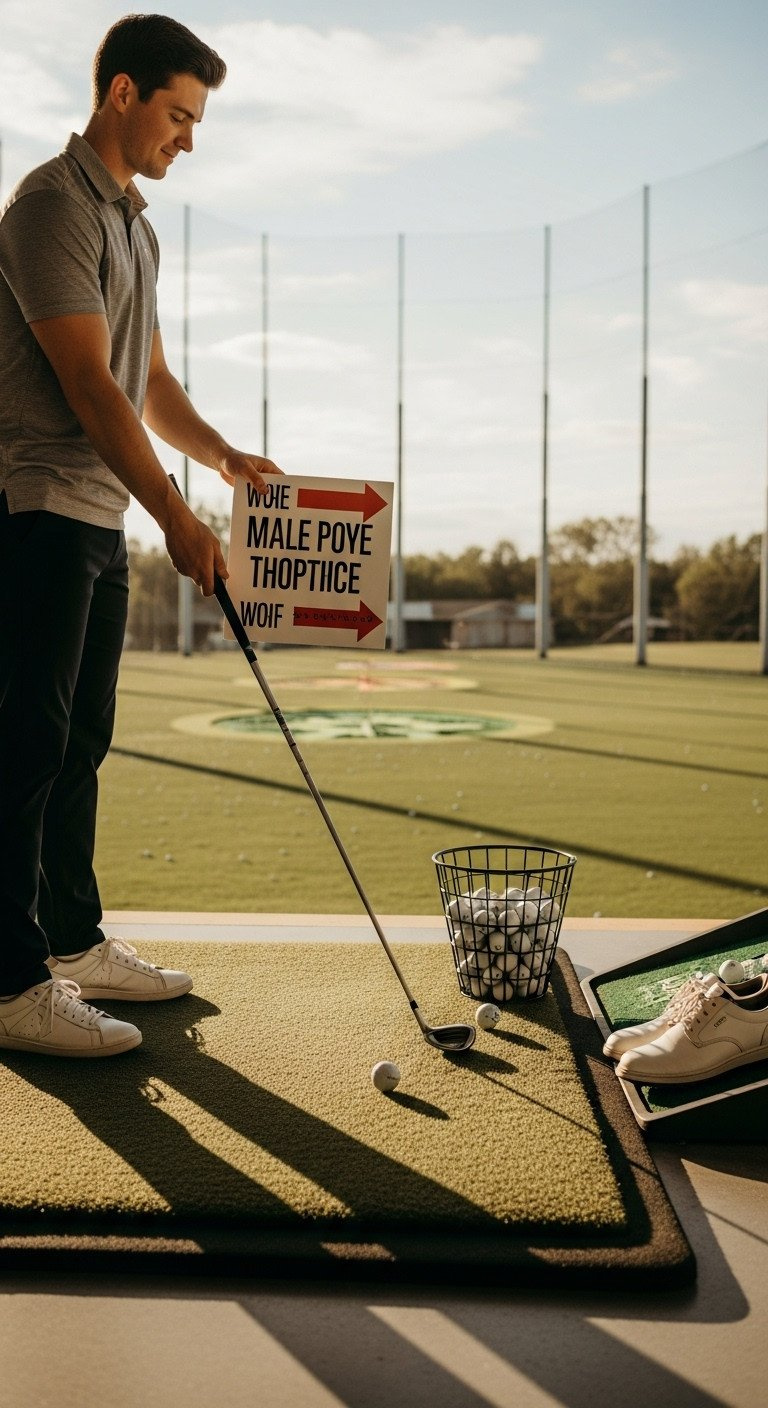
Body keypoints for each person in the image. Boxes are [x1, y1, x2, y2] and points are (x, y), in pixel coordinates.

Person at [0, 14, 281, 1056]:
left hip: (99, 517)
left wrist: (218, 460)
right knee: (23, 747)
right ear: (122, 94)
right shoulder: (46, 205)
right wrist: (179, 518)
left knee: (78, 743)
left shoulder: (137, 224)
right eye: (178, 114)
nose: (188, 140)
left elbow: (148, 382)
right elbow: (85, 385)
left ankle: (70, 943)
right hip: (34, 509)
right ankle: (8, 982)